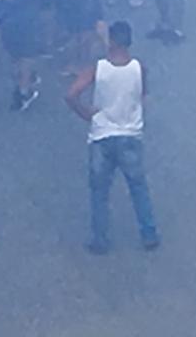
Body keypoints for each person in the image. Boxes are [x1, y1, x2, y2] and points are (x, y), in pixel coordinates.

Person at [65, 20, 159, 253]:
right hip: (129, 135)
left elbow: (71, 94)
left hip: (102, 135)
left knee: (99, 192)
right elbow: (144, 96)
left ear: (112, 41)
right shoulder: (139, 68)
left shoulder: (98, 69)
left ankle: (100, 239)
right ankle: (149, 233)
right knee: (138, 187)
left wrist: (86, 113)